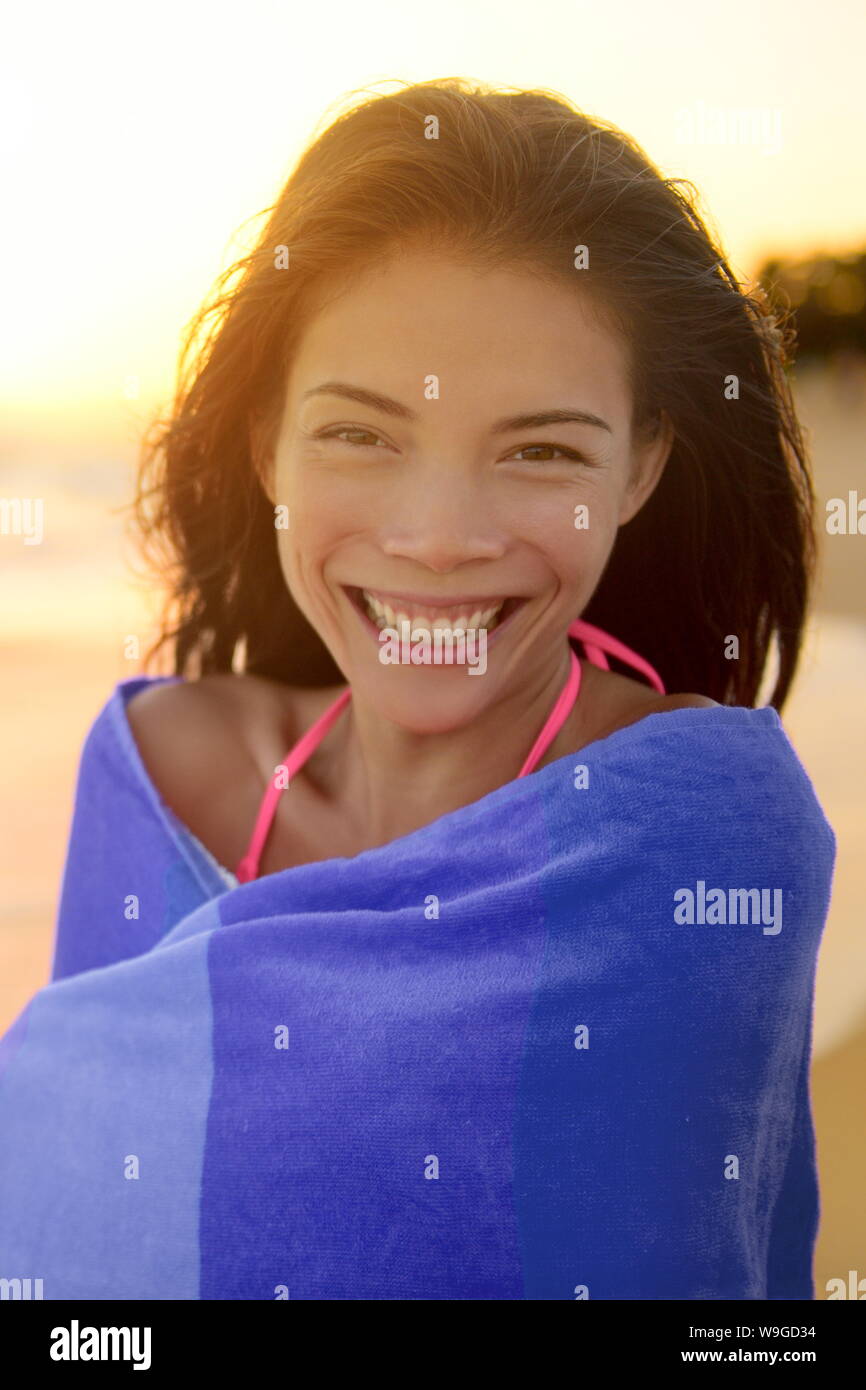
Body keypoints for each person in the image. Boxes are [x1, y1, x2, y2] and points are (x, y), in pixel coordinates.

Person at [0, 79, 835, 1301]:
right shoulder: (154, 771)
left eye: (540, 450)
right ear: (263, 440)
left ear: (640, 465)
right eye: (360, 434)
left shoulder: (703, 831)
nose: (438, 538)